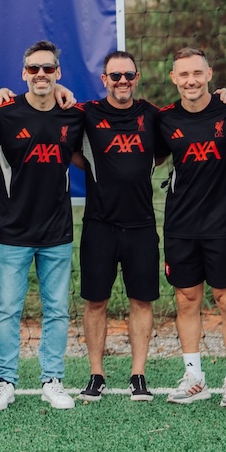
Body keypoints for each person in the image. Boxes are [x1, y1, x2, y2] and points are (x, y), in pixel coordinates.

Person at [0, 41, 84, 412]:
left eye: (48, 70)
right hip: (13, 231)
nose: (41, 75)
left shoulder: (74, 116)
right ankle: (4, 380)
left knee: (57, 310)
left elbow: (94, 155)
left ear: (58, 73)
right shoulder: (4, 114)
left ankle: (52, 380)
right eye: (34, 69)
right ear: (24, 73)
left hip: (57, 231)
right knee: (8, 310)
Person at [156, 48, 226, 407]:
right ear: (173, 78)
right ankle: (194, 376)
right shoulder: (163, 119)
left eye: (197, 73)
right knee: (186, 299)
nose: (191, 81)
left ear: (210, 74)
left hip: (223, 224)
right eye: (183, 75)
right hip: (180, 225)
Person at [74, 50, 163, 403]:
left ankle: (138, 375)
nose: (122, 82)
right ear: (104, 80)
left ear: (137, 78)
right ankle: (97, 375)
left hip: (141, 224)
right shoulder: (87, 114)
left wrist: (223, 96)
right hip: (99, 224)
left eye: (128, 76)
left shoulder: (153, 116)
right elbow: (58, 130)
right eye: (115, 76)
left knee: (141, 300)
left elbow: (175, 139)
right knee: (97, 301)